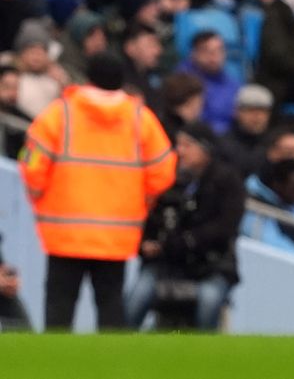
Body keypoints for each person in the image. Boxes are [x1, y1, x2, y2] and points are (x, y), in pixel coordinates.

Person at [19, 53, 177, 331]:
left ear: (88, 77)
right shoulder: (141, 119)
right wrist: (142, 199)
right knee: (110, 305)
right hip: (116, 235)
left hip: (64, 231)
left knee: (59, 305)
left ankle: (52, 370)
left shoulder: (59, 113)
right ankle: (109, 369)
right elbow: (164, 169)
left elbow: (31, 163)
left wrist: (38, 194)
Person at [126, 122, 245, 331]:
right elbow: (152, 218)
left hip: (212, 266)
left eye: (187, 145)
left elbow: (225, 227)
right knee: (136, 296)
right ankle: (115, 349)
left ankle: (203, 357)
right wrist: (147, 243)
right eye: (178, 145)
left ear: (205, 148)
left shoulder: (228, 182)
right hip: (167, 264)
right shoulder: (169, 179)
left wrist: (186, 241)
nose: (179, 151)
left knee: (209, 300)